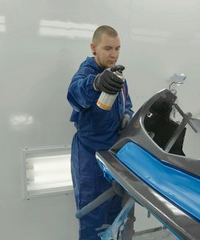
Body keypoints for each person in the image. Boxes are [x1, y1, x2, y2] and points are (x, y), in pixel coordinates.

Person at [67, 25, 133, 240]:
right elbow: (75, 93)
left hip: (114, 156)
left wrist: (126, 117)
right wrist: (96, 83)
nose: (113, 54)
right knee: (93, 219)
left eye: (117, 48)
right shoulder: (87, 73)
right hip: (90, 158)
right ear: (93, 48)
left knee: (116, 216)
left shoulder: (117, 76)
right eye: (107, 48)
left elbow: (127, 103)